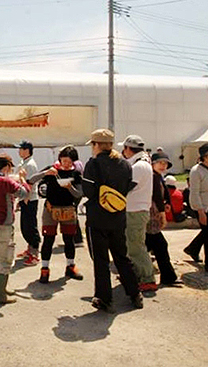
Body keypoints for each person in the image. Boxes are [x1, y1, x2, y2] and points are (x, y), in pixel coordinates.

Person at [83, 129, 143, 312]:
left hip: (97, 218)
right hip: (118, 217)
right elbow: (127, 187)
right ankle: (134, 293)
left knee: (101, 260)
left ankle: (104, 298)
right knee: (121, 257)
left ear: (96, 145)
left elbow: (88, 191)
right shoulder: (124, 164)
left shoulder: (93, 164)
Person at [28, 146, 84, 283]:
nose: (66, 164)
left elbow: (80, 193)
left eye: (70, 162)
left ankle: (70, 266)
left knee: (69, 239)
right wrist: (46, 173)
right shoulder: (52, 169)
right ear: (60, 159)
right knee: (48, 239)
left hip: (68, 210)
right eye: (64, 161)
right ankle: (45, 269)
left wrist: (70, 187)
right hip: (50, 209)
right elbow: (31, 180)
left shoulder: (76, 174)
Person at [0, 154, 30, 304]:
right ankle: (0, 295)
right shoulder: (3, 181)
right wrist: (22, 179)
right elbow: (24, 193)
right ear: (7, 167)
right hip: (3, 226)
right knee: (5, 261)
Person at [120, 135, 157, 293]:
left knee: (136, 246)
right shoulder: (141, 163)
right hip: (135, 210)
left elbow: (127, 187)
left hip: (135, 211)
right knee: (132, 244)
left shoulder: (139, 166)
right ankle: (137, 274)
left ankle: (147, 278)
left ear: (128, 149)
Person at [183, 142, 208, 275]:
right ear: (203, 157)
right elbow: (194, 192)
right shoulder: (196, 171)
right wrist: (200, 211)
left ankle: (192, 249)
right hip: (203, 206)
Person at [145, 153, 179, 285]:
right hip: (152, 215)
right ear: (152, 163)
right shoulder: (152, 176)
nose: (163, 166)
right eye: (160, 163)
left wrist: (167, 204)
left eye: (165, 163)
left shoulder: (158, 176)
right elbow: (157, 196)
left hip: (154, 215)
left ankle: (168, 277)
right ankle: (168, 277)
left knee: (152, 246)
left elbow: (163, 194)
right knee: (159, 246)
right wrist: (162, 213)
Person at [15, 141, 42, 266]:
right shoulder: (23, 162)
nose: (19, 151)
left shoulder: (30, 164)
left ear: (27, 150)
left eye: (21, 149)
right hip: (24, 198)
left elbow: (31, 183)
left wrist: (26, 197)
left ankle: (35, 253)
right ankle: (30, 249)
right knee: (24, 226)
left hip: (30, 199)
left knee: (30, 226)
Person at [65, 145, 85, 244]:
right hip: (79, 190)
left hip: (76, 190)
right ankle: (77, 237)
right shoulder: (79, 163)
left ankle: (77, 238)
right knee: (74, 213)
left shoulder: (75, 166)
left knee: (72, 214)